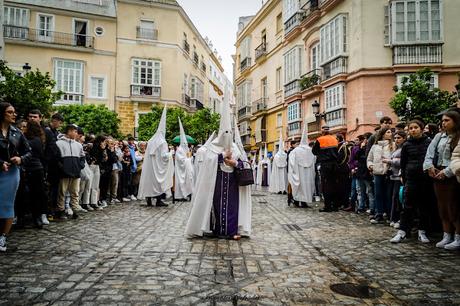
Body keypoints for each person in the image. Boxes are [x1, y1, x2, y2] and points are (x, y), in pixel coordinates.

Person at [185, 101, 246, 240]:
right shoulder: (213, 147)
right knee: (216, 206)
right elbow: (208, 162)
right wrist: (222, 156)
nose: (227, 135)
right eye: (225, 132)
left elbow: (243, 163)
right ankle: (217, 230)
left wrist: (234, 162)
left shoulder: (235, 148)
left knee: (232, 207)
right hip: (216, 182)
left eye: (229, 132)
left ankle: (230, 232)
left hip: (232, 182)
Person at [391, 119, 435, 243]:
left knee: (424, 206)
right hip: (411, 179)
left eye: (415, 127)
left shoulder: (429, 142)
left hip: (425, 179)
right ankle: (403, 231)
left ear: (421, 128)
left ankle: (422, 231)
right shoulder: (406, 144)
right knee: (407, 206)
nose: (413, 130)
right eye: (411, 128)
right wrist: (404, 178)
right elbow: (403, 164)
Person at [423, 110, 460, 250]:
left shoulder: (458, 137)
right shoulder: (439, 136)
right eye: (442, 121)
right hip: (437, 173)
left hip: (452, 175)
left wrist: (447, 172)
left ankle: (458, 236)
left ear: (455, 121)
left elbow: (457, 159)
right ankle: (447, 235)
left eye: (447, 120)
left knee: (454, 206)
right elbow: (429, 153)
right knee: (442, 206)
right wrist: (429, 167)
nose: (443, 123)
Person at [0, 102, 31, 252]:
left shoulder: (17, 132)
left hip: (11, 173)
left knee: (7, 203)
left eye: (14, 112)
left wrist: (21, 159)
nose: (14, 114)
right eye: (10, 112)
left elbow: (29, 152)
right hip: (1, 168)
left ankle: (3, 236)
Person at [137, 105, 174, 207]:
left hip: (150, 168)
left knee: (150, 182)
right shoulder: (163, 142)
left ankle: (148, 200)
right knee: (158, 183)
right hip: (157, 168)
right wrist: (171, 153)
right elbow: (164, 156)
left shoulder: (151, 140)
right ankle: (158, 200)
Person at [55, 124, 86, 220]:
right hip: (64, 172)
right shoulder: (58, 143)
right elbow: (56, 158)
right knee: (62, 192)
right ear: (69, 132)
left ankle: (74, 210)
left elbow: (82, 157)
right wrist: (62, 168)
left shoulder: (78, 145)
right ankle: (61, 210)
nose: (77, 134)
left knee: (75, 192)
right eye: (75, 131)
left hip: (75, 172)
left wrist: (80, 166)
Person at [23, 121, 49, 228]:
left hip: (30, 168)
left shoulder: (31, 140)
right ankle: (36, 218)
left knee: (32, 194)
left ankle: (31, 218)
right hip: (37, 168)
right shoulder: (39, 140)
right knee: (36, 194)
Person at [367, 128, 395, 224]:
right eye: (388, 132)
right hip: (377, 172)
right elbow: (369, 159)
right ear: (383, 134)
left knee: (388, 194)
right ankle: (379, 213)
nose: (390, 133)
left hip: (388, 173)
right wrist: (370, 165)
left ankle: (388, 214)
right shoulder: (375, 146)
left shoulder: (393, 145)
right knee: (378, 194)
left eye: (391, 132)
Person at [312, 125, 340, 212]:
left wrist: (321, 154)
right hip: (335, 164)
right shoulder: (334, 139)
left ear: (322, 132)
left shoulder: (320, 139)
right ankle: (335, 206)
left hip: (325, 164)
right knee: (335, 184)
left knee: (326, 185)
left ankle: (327, 206)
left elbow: (314, 151)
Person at [287, 123, 315, 208]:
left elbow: (291, 163)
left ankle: (297, 200)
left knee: (299, 186)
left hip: (298, 172)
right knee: (306, 186)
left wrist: (292, 172)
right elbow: (314, 161)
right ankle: (304, 201)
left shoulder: (295, 151)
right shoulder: (310, 151)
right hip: (307, 174)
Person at [384, 130, 406, 228]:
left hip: (399, 177)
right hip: (393, 176)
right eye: (395, 138)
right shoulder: (397, 149)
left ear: (404, 138)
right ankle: (394, 218)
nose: (397, 140)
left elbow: (402, 161)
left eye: (399, 138)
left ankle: (398, 219)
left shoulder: (404, 148)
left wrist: (389, 161)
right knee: (394, 197)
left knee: (398, 198)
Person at [174, 118, 194, 201]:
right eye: (184, 143)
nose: (186, 144)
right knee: (180, 182)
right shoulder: (179, 150)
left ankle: (187, 193)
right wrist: (189, 159)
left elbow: (187, 158)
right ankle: (180, 196)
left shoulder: (186, 149)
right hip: (180, 170)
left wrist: (190, 157)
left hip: (186, 170)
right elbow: (181, 160)